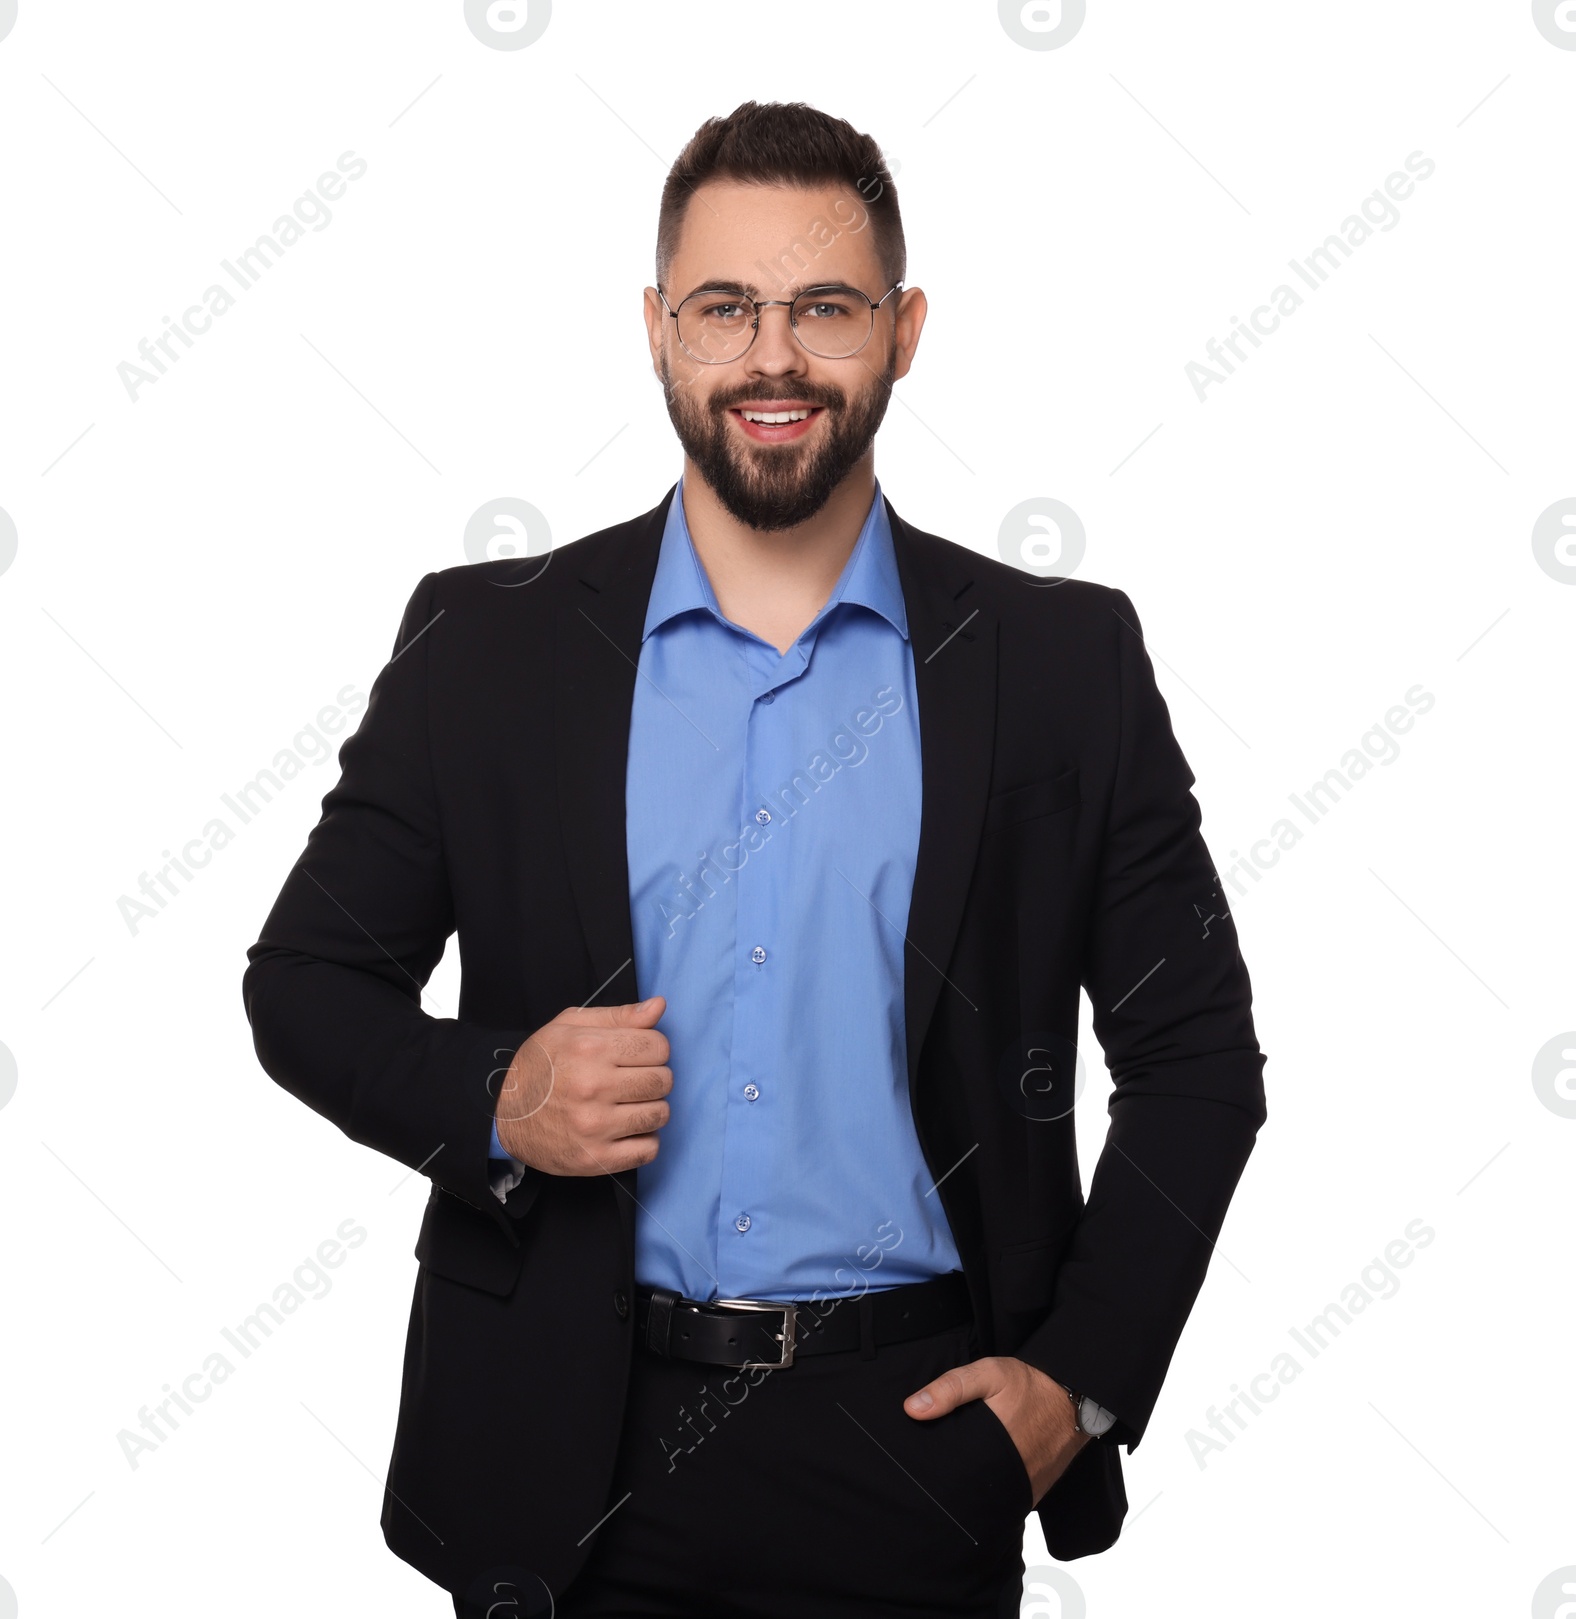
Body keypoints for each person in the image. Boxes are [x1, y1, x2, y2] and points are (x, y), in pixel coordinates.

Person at [242, 100, 1267, 1619]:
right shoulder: (489, 648)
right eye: (726, 309)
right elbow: (309, 985)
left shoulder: (1061, 663)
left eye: (825, 310)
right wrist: (497, 1094)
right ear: (659, 331)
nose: (773, 358)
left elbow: (1195, 1062)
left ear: (903, 331)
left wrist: (1079, 1386)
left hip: (927, 1446)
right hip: (567, 1454)